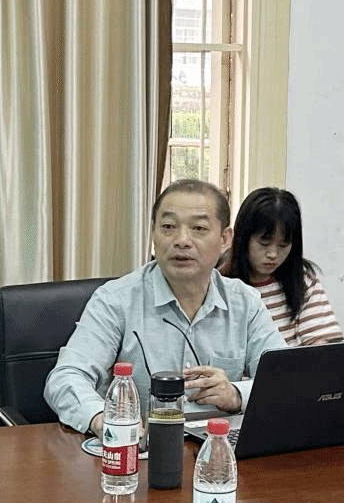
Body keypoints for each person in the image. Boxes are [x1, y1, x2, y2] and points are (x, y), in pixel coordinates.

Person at [44, 179, 286, 438]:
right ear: (153, 234)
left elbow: (287, 379)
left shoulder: (245, 303)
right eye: (168, 227)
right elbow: (66, 377)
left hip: (219, 448)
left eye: (199, 228)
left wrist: (236, 394)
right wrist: (102, 419)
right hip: (141, 448)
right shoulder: (116, 300)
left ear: (224, 239)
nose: (182, 241)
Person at [223, 187, 343, 347]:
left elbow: (319, 345)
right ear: (243, 238)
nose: (273, 254)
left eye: (283, 245)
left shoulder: (303, 281)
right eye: (264, 243)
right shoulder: (220, 285)